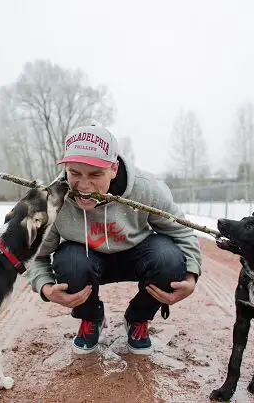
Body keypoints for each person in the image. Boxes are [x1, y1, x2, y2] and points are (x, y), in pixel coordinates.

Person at [26, 124, 202, 355]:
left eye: (96, 174)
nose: (84, 185)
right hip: (86, 258)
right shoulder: (52, 201)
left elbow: (182, 231)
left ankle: (137, 318)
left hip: (137, 254)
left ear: (114, 169)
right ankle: (91, 317)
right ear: (65, 167)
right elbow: (34, 254)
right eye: (75, 173)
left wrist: (190, 277)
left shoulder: (146, 189)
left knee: (169, 259)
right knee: (70, 263)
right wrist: (46, 287)